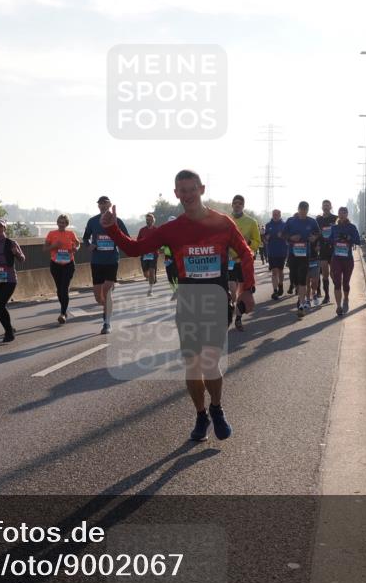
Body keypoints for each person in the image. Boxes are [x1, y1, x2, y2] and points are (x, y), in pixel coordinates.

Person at [101, 170, 255, 442]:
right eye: (181, 190)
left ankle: (216, 408)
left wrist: (247, 290)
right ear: (175, 194)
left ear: (202, 189)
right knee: (193, 364)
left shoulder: (222, 223)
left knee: (210, 362)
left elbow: (245, 252)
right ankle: (200, 414)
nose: (187, 195)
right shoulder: (171, 229)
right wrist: (112, 228)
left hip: (217, 300)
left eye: (191, 189)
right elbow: (137, 249)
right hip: (188, 303)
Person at [82, 196, 129, 334]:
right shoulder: (92, 221)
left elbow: (126, 237)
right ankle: (107, 308)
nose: (102, 206)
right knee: (98, 296)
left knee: (107, 291)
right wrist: (89, 246)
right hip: (97, 261)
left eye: (105, 203)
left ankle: (107, 323)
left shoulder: (117, 220)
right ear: (98, 206)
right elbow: (85, 238)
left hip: (111, 260)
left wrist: (117, 239)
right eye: (100, 204)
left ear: (109, 204)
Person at [228, 194, 261, 331]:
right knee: (231, 290)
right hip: (229, 262)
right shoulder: (226, 220)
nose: (237, 205)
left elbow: (257, 242)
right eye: (235, 203)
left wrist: (248, 243)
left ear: (243, 205)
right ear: (232, 205)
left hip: (243, 262)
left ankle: (238, 318)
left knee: (243, 291)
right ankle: (232, 307)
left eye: (240, 203)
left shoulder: (251, 222)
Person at [284, 201, 320, 319]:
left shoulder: (312, 221)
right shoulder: (291, 221)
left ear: (307, 210)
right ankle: (299, 294)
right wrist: (291, 237)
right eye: (301, 209)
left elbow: (318, 233)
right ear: (298, 209)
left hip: (305, 255)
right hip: (293, 254)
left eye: (305, 210)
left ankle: (301, 304)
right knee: (294, 278)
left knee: (302, 279)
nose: (303, 212)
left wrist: (314, 237)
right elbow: (283, 234)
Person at [44, 214, 80, 324]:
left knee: (64, 288)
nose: (61, 224)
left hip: (68, 264)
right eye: (60, 222)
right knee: (59, 290)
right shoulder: (51, 234)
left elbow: (78, 244)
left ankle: (63, 314)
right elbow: (45, 249)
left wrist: (76, 248)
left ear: (66, 224)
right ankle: (63, 309)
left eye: (63, 223)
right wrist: (54, 246)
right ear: (57, 223)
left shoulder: (71, 234)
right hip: (55, 264)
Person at [328, 206, 362, 315]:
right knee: (337, 282)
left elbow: (358, 241)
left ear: (347, 214)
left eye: (344, 213)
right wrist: (332, 241)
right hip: (336, 258)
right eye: (340, 213)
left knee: (346, 282)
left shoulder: (352, 227)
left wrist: (347, 237)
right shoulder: (334, 228)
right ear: (338, 214)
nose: (342, 215)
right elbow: (329, 240)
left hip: (347, 259)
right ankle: (338, 307)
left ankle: (346, 299)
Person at [316, 200, 338, 305]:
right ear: (322, 207)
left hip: (333, 249)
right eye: (324, 205)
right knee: (325, 273)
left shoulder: (335, 218)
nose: (325, 207)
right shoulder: (318, 219)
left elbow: (340, 231)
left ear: (330, 206)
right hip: (323, 249)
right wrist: (317, 244)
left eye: (327, 205)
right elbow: (315, 233)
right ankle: (327, 296)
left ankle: (337, 289)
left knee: (333, 274)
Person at [263, 210, 288, 300]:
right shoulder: (268, 225)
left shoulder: (284, 224)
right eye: (274, 214)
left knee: (280, 271)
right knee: (274, 271)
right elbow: (265, 239)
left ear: (280, 215)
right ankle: (275, 290)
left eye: (277, 215)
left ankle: (280, 284)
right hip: (271, 251)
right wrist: (266, 238)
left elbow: (288, 238)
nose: (275, 216)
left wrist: (282, 236)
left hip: (281, 251)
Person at [137, 213, 161, 296]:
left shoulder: (156, 230)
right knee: (145, 274)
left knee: (151, 271)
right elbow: (138, 241)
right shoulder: (142, 230)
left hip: (153, 253)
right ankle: (151, 277)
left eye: (150, 220)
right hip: (144, 254)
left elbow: (160, 241)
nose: (148, 221)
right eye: (147, 220)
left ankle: (150, 290)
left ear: (153, 220)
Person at [161, 217, 179, 299]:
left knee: (177, 275)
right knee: (169, 276)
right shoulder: (165, 233)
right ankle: (175, 291)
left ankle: (178, 291)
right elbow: (161, 246)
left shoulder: (180, 233)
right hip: (168, 258)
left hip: (177, 257)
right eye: (169, 223)